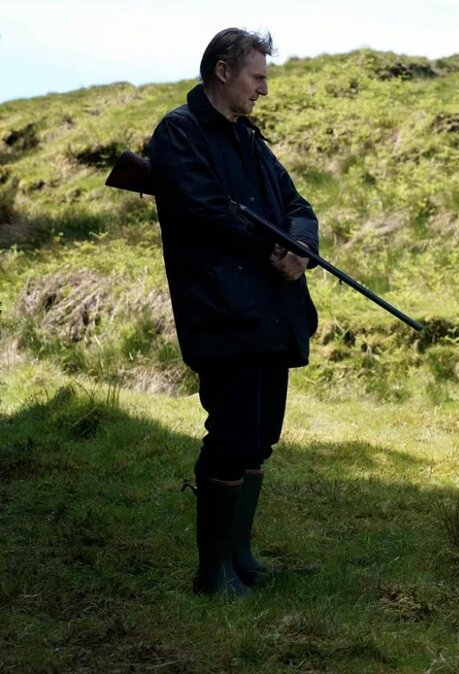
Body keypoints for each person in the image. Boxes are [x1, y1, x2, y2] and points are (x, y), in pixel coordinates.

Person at [148, 28, 319, 597]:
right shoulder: (180, 133)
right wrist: (271, 247)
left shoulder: (251, 141)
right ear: (223, 72)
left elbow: (297, 206)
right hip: (223, 315)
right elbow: (203, 213)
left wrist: (300, 248)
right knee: (231, 434)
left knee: (260, 437)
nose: (263, 91)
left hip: (270, 313)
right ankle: (212, 572)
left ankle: (240, 556)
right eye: (257, 78)